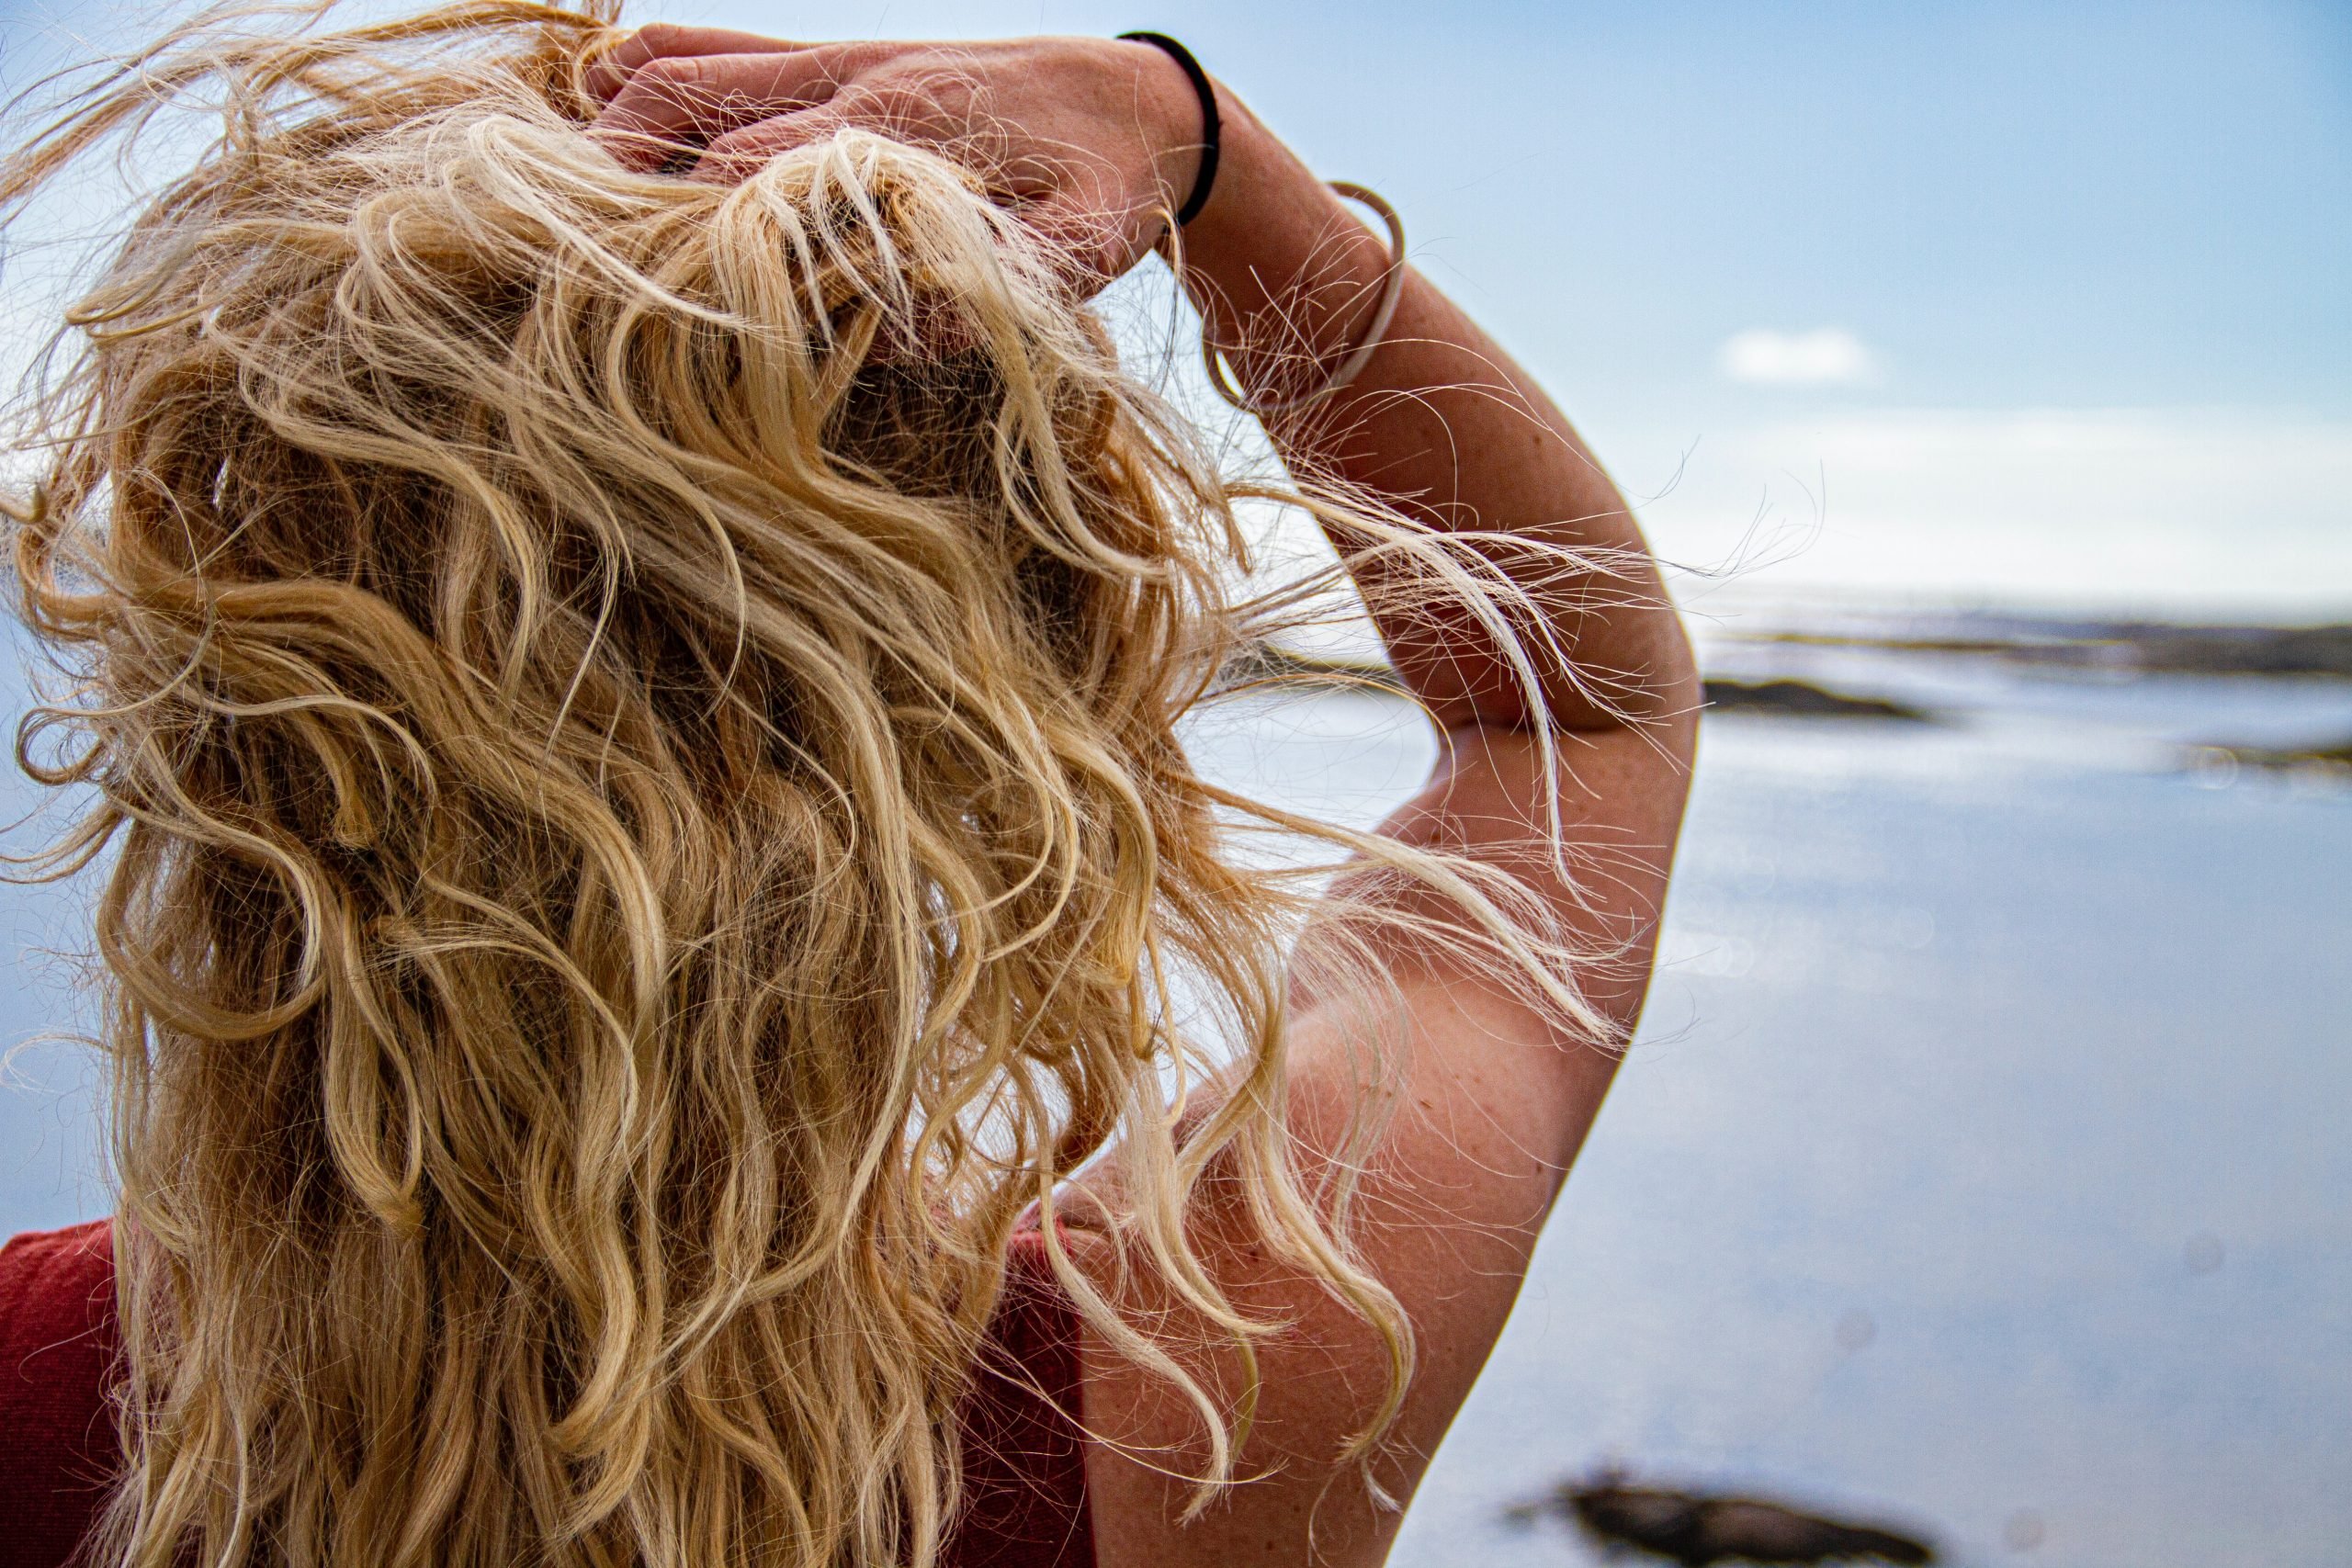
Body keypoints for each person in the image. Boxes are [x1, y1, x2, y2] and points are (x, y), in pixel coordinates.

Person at [0, 5, 1698, 1565]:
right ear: (988, 787)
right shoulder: (1190, 1394)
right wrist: (1206, 155)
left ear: (215, 747)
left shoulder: (34, 1383)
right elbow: (1574, 714)